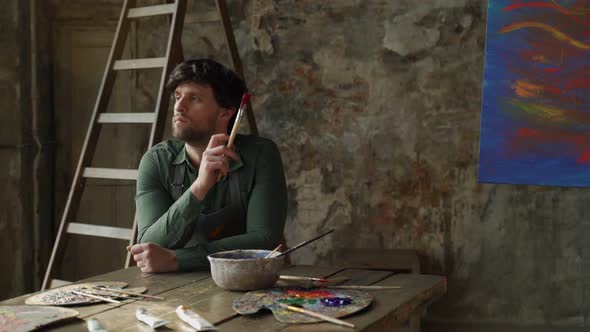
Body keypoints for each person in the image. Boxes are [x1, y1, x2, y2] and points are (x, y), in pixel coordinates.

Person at [128, 59, 287, 273]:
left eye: (194, 98)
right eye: (177, 96)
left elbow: (263, 239)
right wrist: (199, 187)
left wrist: (178, 259)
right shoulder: (156, 161)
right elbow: (149, 244)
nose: (179, 107)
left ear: (226, 112)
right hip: (174, 288)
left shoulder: (260, 155)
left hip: (249, 282)